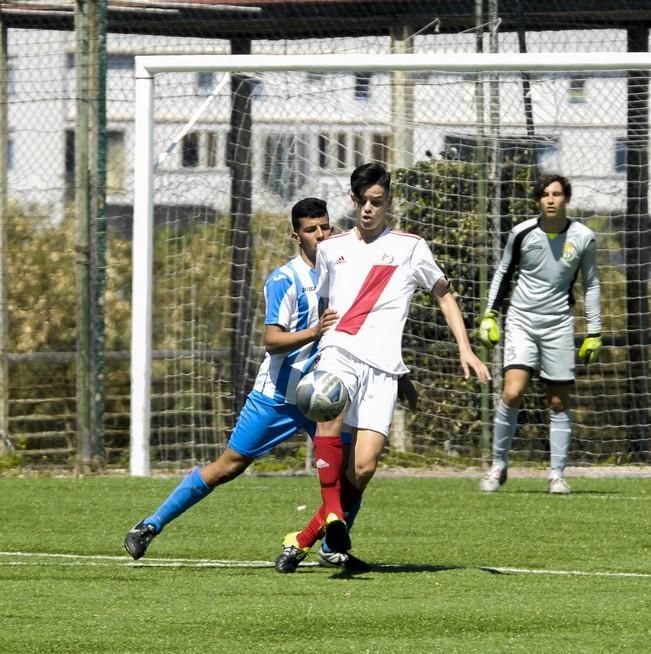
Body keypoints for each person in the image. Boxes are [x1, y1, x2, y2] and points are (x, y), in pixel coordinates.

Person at [123, 197, 367, 571]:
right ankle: (150, 525)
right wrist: (314, 331)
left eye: (325, 227)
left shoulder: (345, 272)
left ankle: (330, 548)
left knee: (353, 472)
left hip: (325, 395)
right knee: (228, 466)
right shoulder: (285, 280)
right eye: (310, 230)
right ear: (295, 237)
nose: (320, 235)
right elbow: (272, 341)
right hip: (277, 397)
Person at [274, 162, 491, 572]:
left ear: (388, 201)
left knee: (364, 466)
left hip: (384, 369)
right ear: (353, 201)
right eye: (362, 202)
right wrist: (318, 348)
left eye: (377, 201)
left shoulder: (411, 247)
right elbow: (327, 305)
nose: (369, 209)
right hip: (340, 351)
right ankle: (335, 519)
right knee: (328, 419)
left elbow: (444, 295)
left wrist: (465, 348)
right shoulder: (333, 249)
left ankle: (304, 537)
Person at [477, 173, 602, 495]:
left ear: (566, 199)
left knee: (558, 401)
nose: (550, 199)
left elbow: (590, 283)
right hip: (521, 320)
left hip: (559, 323)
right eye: (545, 194)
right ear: (537, 200)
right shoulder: (522, 233)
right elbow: (504, 273)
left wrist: (594, 331)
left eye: (557, 193)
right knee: (511, 392)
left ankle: (557, 474)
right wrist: (490, 314)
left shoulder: (584, 237)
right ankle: (498, 465)